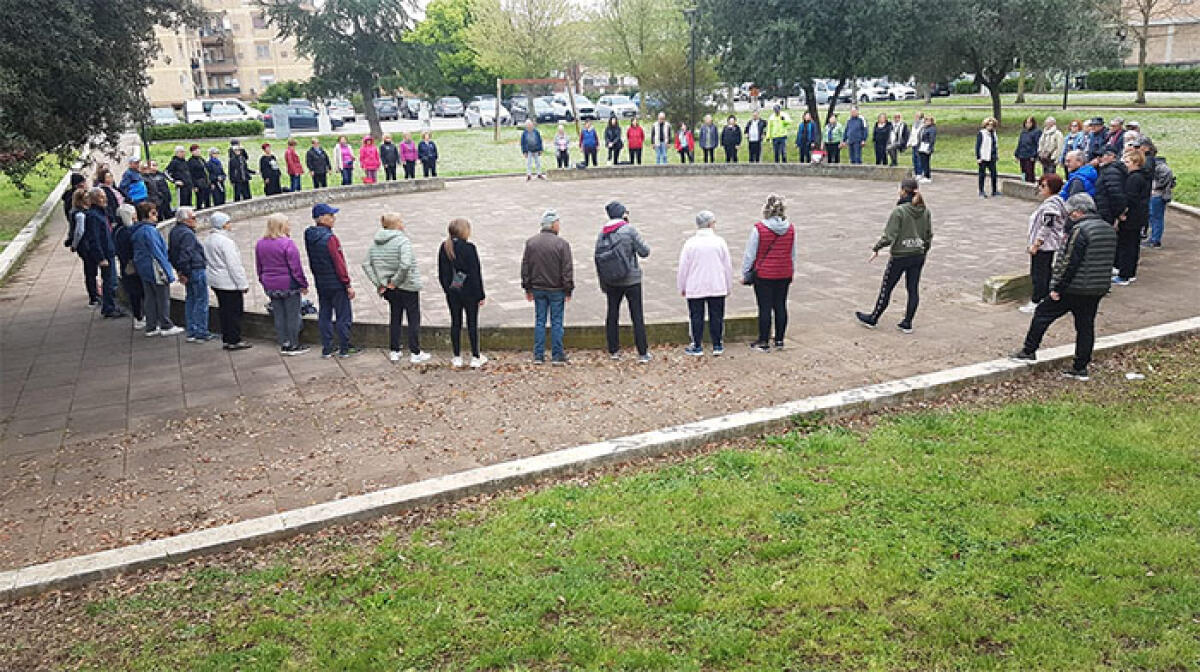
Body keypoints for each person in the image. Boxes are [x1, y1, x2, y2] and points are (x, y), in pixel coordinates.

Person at [1010, 193, 1117, 381]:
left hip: (1074, 287)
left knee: (1042, 313)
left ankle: (1029, 350)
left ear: (1079, 212)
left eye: (1072, 213)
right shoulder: (1108, 229)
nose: (1070, 216)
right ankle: (1080, 367)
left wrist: (1057, 288)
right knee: (1085, 326)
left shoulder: (1080, 231)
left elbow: (1070, 262)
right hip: (1097, 287)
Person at [854, 178, 933, 333]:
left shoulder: (899, 211)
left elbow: (889, 236)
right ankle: (907, 322)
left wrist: (877, 248)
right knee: (913, 289)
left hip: (900, 255)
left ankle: (874, 317)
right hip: (918, 254)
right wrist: (924, 249)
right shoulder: (925, 210)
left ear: (903, 191)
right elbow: (928, 234)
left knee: (887, 287)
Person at [362, 213, 429, 363]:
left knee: (395, 317)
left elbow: (366, 264)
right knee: (413, 318)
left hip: (389, 288)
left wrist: (380, 283)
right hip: (407, 285)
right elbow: (405, 264)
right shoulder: (402, 241)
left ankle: (395, 350)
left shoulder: (375, 243)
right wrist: (396, 281)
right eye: (400, 220)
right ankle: (415, 352)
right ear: (396, 224)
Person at [594, 201, 651, 363]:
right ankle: (642, 352)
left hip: (612, 280)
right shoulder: (629, 230)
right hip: (631, 278)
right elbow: (645, 251)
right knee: (637, 315)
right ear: (622, 214)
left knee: (612, 314)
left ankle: (613, 350)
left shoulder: (603, 233)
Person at [741, 194, 796, 351]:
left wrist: (746, 273)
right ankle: (779, 340)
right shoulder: (790, 229)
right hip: (784, 272)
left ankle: (763, 340)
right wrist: (792, 270)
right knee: (780, 305)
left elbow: (750, 254)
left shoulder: (759, 229)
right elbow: (792, 253)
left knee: (764, 307)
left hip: (764, 274)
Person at [521, 209, 574, 365]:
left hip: (538, 288)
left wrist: (527, 288)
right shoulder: (562, 244)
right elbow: (567, 269)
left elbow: (526, 267)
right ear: (553, 225)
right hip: (556, 289)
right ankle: (557, 355)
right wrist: (568, 288)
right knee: (557, 322)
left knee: (540, 320)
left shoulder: (531, 243)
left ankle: (538, 355)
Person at [677, 210, 734, 356]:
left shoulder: (690, 243)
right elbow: (727, 266)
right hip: (717, 284)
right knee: (717, 316)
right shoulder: (720, 242)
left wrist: (682, 286)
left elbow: (683, 267)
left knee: (696, 316)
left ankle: (697, 344)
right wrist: (728, 285)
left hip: (695, 285)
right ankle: (717, 344)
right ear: (710, 224)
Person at [305, 204, 358, 358]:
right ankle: (344, 347)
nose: (334, 219)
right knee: (343, 316)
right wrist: (347, 283)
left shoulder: (310, 236)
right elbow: (338, 262)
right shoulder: (331, 239)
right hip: (336, 282)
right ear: (322, 218)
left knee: (325, 313)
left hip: (321, 281)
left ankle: (327, 347)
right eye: (331, 215)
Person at [256, 213, 310, 355]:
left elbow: (259, 266)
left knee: (279, 315)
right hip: (288, 284)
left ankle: (284, 342)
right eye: (287, 223)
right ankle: (293, 344)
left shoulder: (260, 243)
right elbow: (295, 267)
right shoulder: (287, 243)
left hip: (270, 285)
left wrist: (263, 281)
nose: (289, 226)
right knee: (292, 315)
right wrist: (303, 284)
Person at [438, 217, 487, 368]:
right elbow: (475, 273)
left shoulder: (445, 247)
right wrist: (480, 294)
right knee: (472, 323)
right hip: (470, 293)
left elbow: (442, 272)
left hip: (453, 292)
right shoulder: (469, 248)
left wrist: (448, 289)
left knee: (455, 322)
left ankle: (457, 356)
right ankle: (475, 356)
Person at [131, 202, 184, 337]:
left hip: (144, 269)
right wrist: (168, 271)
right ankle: (166, 324)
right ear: (148, 215)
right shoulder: (149, 231)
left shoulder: (137, 231)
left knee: (150, 297)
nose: (157, 216)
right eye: (154, 213)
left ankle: (151, 325)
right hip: (155, 269)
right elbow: (157, 252)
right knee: (162, 297)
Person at [202, 212, 251, 351]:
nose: (230, 225)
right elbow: (233, 265)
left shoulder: (209, 239)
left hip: (216, 280)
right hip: (228, 282)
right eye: (228, 222)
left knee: (224, 311)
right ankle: (234, 339)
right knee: (234, 311)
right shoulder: (225, 242)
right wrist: (242, 284)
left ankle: (227, 337)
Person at [1019, 173, 1067, 313]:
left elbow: (1047, 225)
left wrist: (1036, 244)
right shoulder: (1055, 202)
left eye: (1043, 186)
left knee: (1039, 273)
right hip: (1047, 244)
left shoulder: (1051, 205)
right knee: (1044, 271)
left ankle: (1037, 300)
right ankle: (1044, 298)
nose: (1040, 188)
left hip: (1044, 245)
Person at [168, 206, 212, 342]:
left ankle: (192, 330)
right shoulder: (187, 234)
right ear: (185, 220)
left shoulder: (174, 231)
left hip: (187, 270)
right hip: (195, 269)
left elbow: (172, 254)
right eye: (193, 218)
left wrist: (180, 271)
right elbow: (185, 254)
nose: (195, 220)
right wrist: (184, 272)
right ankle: (201, 332)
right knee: (200, 300)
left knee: (191, 299)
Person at [80, 188, 126, 319]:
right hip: (104, 254)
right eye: (101, 197)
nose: (104, 199)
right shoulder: (93, 216)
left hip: (109, 251)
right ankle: (109, 307)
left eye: (104, 196)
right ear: (94, 199)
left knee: (111, 281)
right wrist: (100, 258)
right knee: (110, 281)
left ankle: (110, 306)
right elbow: (94, 238)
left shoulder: (102, 213)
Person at [1114, 150, 1149, 286]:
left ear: (1135, 163)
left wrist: (1122, 213)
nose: (1125, 164)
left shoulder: (1133, 178)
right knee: (1133, 245)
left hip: (1131, 217)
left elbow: (1129, 199)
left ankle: (1124, 275)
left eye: (1127, 162)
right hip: (1139, 216)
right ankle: (1130, 272)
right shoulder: (1143, 177)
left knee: (1126, 245)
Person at [112, 203, 144, 329]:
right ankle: (138, 317)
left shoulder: (117, 230)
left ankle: (139, 316)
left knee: (135, 292)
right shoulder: (126, 232)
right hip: (131, 266)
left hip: (126, 265)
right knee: (136, 292)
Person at [67, 188, 99, 306]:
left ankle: (94, 293)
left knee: (90, 270)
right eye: (86, 198)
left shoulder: (74, 212)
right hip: (86, 245)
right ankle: (93, 296)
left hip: (83, 245)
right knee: (90, 271)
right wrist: (75, 245)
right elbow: (79, 231)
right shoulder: (80, 214)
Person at [1145, 142, 1174, 248]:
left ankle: (1155, 240)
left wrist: (1156, 186)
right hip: (1155, 194)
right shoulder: (1155, 164)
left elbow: (1168, 175)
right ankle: (1153, 238)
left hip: (1158, 195)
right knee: (1153, 217)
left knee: (1156, 217)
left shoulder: (1160, 165)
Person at [1093, 147, 1128, 226]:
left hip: (1108, 214)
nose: (1099, 159)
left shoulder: (1111, 171)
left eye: (1102, 156)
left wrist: (1117, 214)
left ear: (1112, 156)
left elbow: (1116, 194)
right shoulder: (1106, 170)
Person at [975, 117, 1000, 198]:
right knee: (982, 175)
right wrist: (978, 157)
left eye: (992, 125)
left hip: (992, 157)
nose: (990, 127)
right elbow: (978, 146)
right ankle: (981, 191)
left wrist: (996, 155)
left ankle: (994, 190)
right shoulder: (981, 133)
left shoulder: (994, 134)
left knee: (994, 174)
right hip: (983, 157)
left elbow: (995, 145)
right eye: (988, 125)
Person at [1014, 116, 1042, 183]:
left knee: (1029, 172)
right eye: (1026, 123)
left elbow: (1037, 144)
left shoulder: (1037, 132)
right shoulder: (1023, 132)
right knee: (1023, 171)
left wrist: (1035, 155)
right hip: (1022, 155)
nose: (1027, 124)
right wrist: (1017, 155)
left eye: (1029, 123)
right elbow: (1020, 143)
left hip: (1030, 155)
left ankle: (1030, 184)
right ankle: (1023, 183)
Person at [185, 145, 212, 209]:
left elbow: (206, 170)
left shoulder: (201, 159)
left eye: (199, 150)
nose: (198, 152)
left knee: (207, 198)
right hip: (198, 182)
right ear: (192, 152)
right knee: (200, 199)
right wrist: (194, 186)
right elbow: (190, 174)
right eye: (196, 150)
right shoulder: (191, 161)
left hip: (205, 181)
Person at [915, 115, 936, 182]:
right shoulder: (924, 127)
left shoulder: (932, 129)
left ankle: (927, 176)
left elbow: (932, 139)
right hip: (921, 146)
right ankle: (924, 175)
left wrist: (929, 148)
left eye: (928, 120)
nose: (926, 122)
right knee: (923, 162)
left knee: (926, 162)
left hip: (926, 147)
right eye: (926, 120)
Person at [908, 111, 926, 177]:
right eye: (915, 116)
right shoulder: (914, 124)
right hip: (914, 144)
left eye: (917, 116)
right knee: (914, 159)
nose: (915, 117)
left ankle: (919, 173)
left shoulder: (923, 125)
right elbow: (912, 134)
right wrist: (909, 143)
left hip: (919, 144)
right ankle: (916, 173)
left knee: (919, 159)